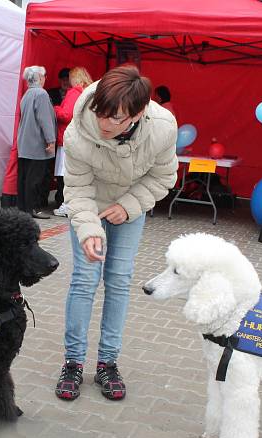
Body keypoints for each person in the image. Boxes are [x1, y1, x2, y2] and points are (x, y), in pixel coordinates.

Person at [54, 65, 178, 401]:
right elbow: (77, 189)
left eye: (116, 117)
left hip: (129, 207)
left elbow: (163, 178)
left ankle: (108, 363)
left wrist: (129, 206)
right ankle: (73, 363)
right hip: (89, 203)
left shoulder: (163, 128)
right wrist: (89, 229)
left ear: (137, 114)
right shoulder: (77, 132)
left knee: (119, 279)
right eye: (101, 113)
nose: (104, 123)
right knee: (84, 279)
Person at [16, 65, 56, 219]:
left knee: (24, 178)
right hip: (36, 144)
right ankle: (32, 209)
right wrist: (51, 140)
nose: (45, 79)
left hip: (25, 143)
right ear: (39, 77)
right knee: (35, 179)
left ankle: (24, 208)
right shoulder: (41, 94)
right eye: (44, 76)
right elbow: (44, 119)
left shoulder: (27, 94)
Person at [52, 67, 93, 217]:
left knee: (64, 175)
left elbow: (66, 114)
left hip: (67, 139)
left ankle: (66, 205)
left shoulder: (73, 93)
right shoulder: (88, 92)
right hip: (81, 139)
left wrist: (55, 108)